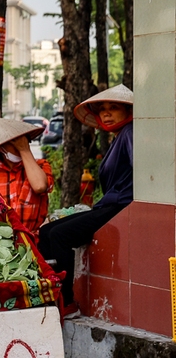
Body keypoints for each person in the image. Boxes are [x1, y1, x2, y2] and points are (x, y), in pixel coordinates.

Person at [38, 84, 134, 316]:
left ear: (128, 111)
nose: (106, 113)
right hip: (110, 205)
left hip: (122, 206)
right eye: (102, 109)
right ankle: (49, 294)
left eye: (114, 108)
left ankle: (67, 302)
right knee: (46, 231)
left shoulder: (131, 132)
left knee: (60, 235)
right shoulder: (120, 137)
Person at [0, 118, 53, 236]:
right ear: (1, 147)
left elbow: (39, 186)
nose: (21, 145)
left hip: (34, 241)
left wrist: (24, 150)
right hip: (1, 241)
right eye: (15, 143)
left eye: (24, 141)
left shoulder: (41, 165)